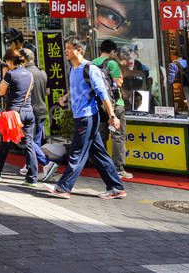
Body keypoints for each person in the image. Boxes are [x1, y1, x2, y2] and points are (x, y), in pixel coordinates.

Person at [48, 36, 126, 199]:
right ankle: (116, 187)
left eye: (69, 48)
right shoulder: (72, 69)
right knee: (98, 153)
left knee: (77, 152)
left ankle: (63, 187)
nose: (66, 51)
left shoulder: (90, 68)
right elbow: (79, 89)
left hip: (88, 116)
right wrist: (66, 97)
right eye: (66, 48)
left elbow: (102, 93)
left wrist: (112, 115)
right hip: (80, 116)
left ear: (80, 50)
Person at [0, 47, 38, 184]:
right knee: (29, 144)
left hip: (13, 115)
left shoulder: (11, 74)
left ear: (9, 61)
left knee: (5, 144)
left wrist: (5, 75)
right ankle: (32, 178)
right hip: (28, 112)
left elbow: (1, 92)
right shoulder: (29, 74)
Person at [94, 40, 131, 179]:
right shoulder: (112, 63)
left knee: (101, 136)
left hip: (100, 105)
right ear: (113, 51)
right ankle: (118, 168)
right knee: (118, 136)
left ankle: (102, 166)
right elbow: (118, 83)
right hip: (116, 105)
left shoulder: (92, 63)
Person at [20, 47, 58, 182]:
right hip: (42, 109)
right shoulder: (43, 73)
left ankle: (47, 163)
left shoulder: (25, 73)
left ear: (23, 59)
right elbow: (47, 92)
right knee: (35, 141)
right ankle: (31, 165)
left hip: (30, 110)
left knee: (28, 141)